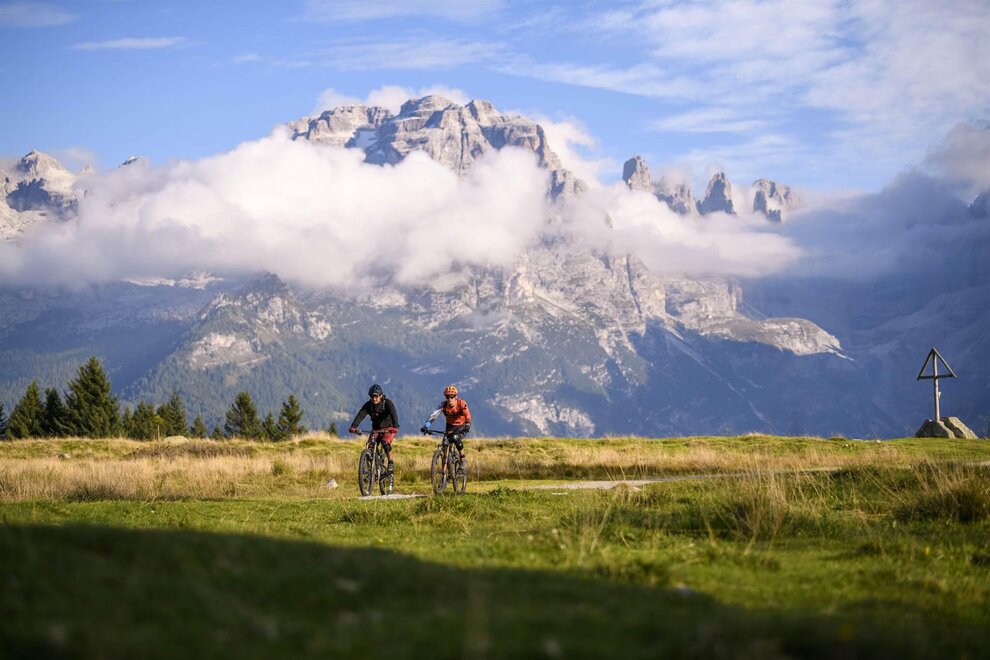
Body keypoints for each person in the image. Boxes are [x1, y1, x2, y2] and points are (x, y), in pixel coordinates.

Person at [349, 384, 399, 475]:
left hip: (389, 429)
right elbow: (361, 414)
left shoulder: (387, 403)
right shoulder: (368, 405)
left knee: (385, 443)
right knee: (370, 446)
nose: (374, 399)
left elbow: (393, 414)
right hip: (376, 429)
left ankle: (390, 462)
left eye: (376, 396)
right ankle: (371, 471)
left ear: (380, 396)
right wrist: (353, 427)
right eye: (372, 396)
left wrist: (395, 427)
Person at [420, 385, 471, 468]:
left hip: (461, 426)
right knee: (445, 444)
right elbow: (433, 416)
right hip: (450, 426)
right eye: (447, 397)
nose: (449, 399)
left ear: (456, 397)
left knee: (455, 438)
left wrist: (468, 424)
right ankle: (448, 467)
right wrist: (426, 426)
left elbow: (467, 415)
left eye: (452, 396)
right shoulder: (443, 405)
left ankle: (462, 459)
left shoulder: (461, 403)